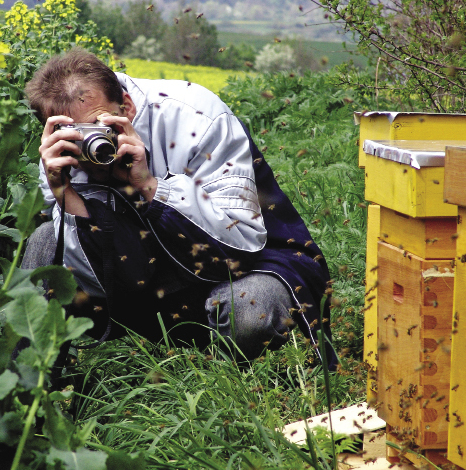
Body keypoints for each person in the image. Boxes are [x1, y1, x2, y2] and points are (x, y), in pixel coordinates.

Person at [21, 48, 335, 365]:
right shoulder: (60, 156)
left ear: (127, 106)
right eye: (75, 136)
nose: (89, 146)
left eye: (98, 128)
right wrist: (66, 196)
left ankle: (229, 380)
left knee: (252, 309)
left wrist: (149, 186)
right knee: (45, 241)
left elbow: (240, 242)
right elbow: (95, 278)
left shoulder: (195, 115)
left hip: (236, 270)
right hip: (139, 283)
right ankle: (28, 384)